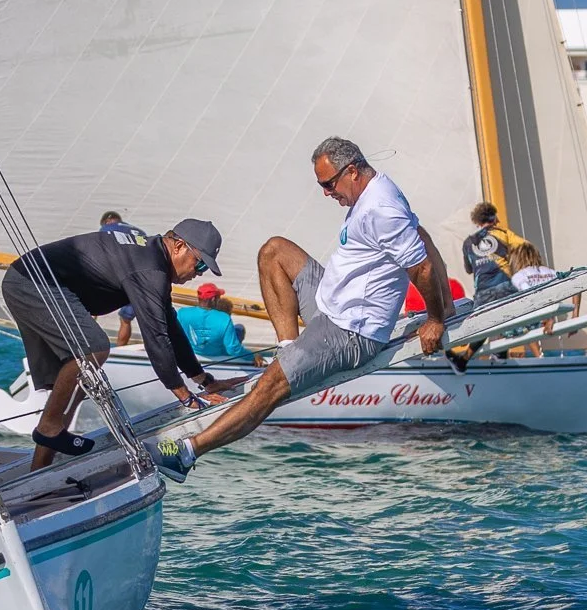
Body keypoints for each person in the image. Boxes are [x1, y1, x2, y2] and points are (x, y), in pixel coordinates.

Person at [150, 138, 452, 482]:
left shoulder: (380, 208)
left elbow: (421, 265)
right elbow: (423, 235)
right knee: (274, 251)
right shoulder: (371, 193)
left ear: (352, 171)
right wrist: (449, 305)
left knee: (270, 385)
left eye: (328, 184)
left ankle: (186, 454)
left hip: (350, 331)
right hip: (328, 305)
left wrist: (436, 318)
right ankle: (289, 350)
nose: (326, 193)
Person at [3, 218, 243, 471]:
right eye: (200, 263)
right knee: (94, 347)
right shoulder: (150, 269)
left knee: (79, 381)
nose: (199, 273)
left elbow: (170, 328)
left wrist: (205, 380)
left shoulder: (152, 260)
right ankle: (50, 428)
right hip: (32, 283)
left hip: (34, 282)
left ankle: (40, 471)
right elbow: (156, 337)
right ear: (179, 246)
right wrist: (185, 397)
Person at [177, 283, 261, 366]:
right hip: (219, 356)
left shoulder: (182, 313)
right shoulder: (224, 318)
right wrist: (252, 356)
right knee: (239, 328)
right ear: (213, 299)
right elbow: (233, 349)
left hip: (194, 353)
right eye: (219, 297)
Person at [462, 202, 527, 304]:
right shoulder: (503, 234)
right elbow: (525, 247)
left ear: (477, 221)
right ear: (494, 218)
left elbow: (469, 269)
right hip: (506, 286)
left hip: (483, 293)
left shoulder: (468, 243)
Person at [99, 211, 144, 346]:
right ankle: (120, 349)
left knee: (89, 307)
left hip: (117, 274)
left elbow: (99, 251)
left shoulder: (107, 229)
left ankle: (86, 346)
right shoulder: (139, 232)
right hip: (140, 278)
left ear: (107, 221)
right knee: (126, 319)